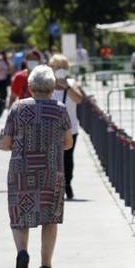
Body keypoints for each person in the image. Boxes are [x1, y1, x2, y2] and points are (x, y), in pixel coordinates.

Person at [0, 65, 73, 268]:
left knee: (20, 213)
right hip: (51, 170)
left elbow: (6, 142)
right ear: (52, 87)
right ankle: (46, 267)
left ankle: (22, 252)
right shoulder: (60, 109)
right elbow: (68, 142)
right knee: (50, 217)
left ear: (30, 87)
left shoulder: (18, 108)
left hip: (22, 169)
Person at [49, 54, 86, 199]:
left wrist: (67, 87)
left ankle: (67, 184)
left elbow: (78, 99)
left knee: (67, 158)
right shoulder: (48, 84)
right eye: (57, 67)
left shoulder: (71, 83)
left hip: (70, 128)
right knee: (52, 158)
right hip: (51, 128)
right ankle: (54, 186)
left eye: (63, 67)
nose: (60, 70)